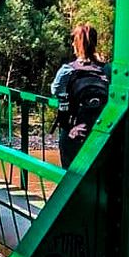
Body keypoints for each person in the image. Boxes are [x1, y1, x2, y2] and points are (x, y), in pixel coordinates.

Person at [50, 23, 110, 169]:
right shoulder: (107, 69)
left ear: (77, 44)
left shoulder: (67, 70)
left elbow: (55, 91)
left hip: (73, 130)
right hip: (100, 131)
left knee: (70, 173)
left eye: (73, 41)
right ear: (95, 43)